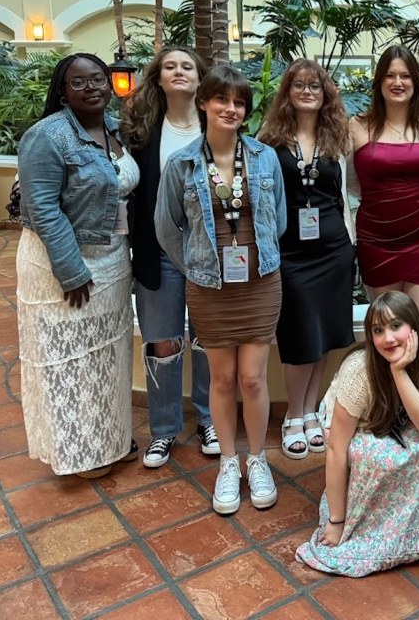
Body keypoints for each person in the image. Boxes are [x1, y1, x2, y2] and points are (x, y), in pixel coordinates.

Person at [155, 65, 287, 514]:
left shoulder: (264, 158)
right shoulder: (182, 164)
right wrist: (197, 266)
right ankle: (228, 463)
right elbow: (166, 228)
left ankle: (257, 459)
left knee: (252, 378)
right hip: (210, 288)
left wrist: (259, 255)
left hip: (260, 282)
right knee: (223, 378)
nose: (231, 109)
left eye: (239, 102)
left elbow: (280, 220)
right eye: (222, 100)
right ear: (204, 103)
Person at [13, 53, 139, 479]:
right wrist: (70, 269)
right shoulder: (47, 137)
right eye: (79, 83)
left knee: (107, 357)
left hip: (112, 260)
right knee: (69, 359)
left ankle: (109, 440)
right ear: (62, 90)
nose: (93, 89)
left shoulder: (113, 129)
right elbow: (43, 209)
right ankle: (78, 451)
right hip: (63, 264)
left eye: (99, 80)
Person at [295, 291, 419, 576]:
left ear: (414, 327)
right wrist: (336, 520)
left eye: (396, 326)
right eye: (378, 330)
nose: (388, 338)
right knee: (375, 455)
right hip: (358, 424)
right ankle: (368, 519)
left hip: (406, 419)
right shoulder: (359, 371)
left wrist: (400, 372)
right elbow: (336, 448)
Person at [121, 47, 220, 468]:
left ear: (201, 80)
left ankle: (210, 419)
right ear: (158, 79)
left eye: (187, 66)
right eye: (169, 67)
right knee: (162, 344)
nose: (178, 72)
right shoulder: (141, 133)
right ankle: (163, 430)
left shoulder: (218, 126)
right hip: (157, 254)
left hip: (208, 255)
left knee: (207, 342)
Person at [257, 59, 356, 459]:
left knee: (326, 335)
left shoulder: (338, 137)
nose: (307, 91)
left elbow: (345, 194)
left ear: (325, 92)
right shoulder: (269, 140)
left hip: (333, 249)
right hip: (291, 253)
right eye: (298, 85)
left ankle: (312, 411)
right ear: (287, 92)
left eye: (315, 85)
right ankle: (292, 416)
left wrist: (352, 245)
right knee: (300, 336)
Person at [349, 45, 419, 333]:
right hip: (376, 241)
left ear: (415, 82)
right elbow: (347, 182)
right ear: (379, 82)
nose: (398, 82)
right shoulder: (356, 127)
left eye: (405, 76)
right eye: (390, 76)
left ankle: (417, 382)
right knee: (386, 334)